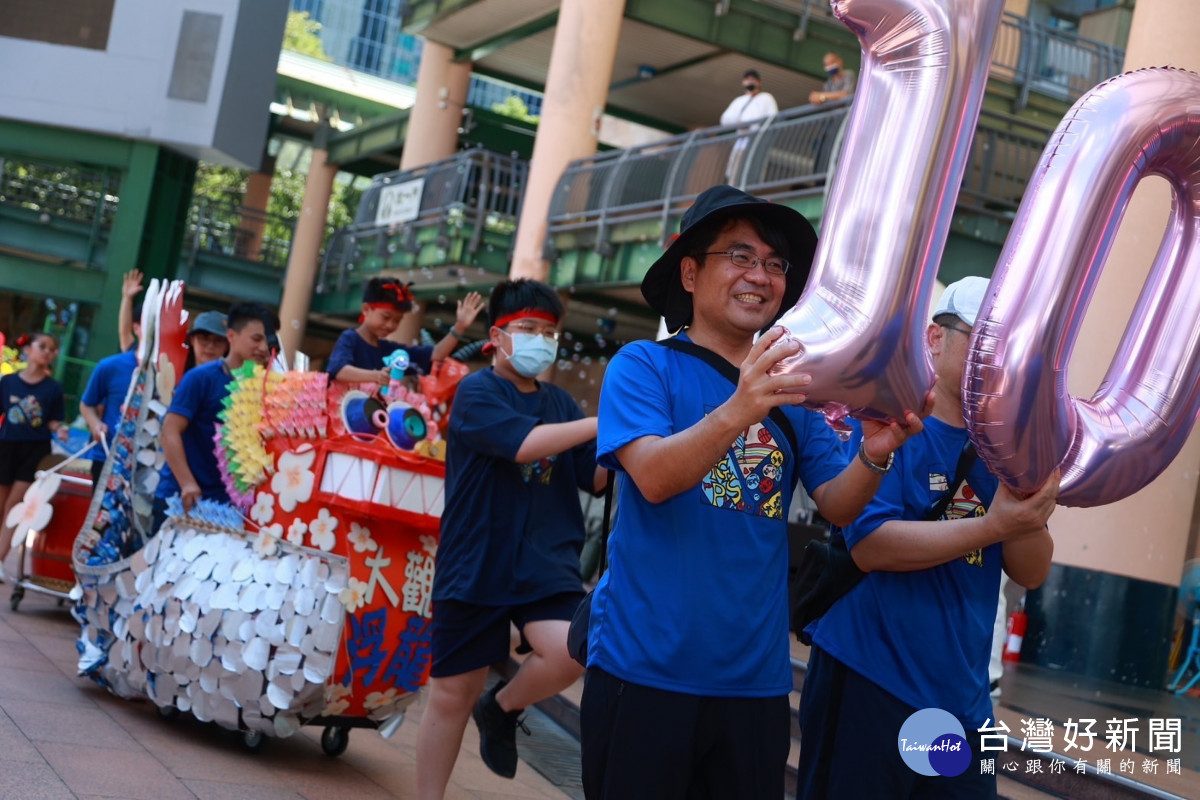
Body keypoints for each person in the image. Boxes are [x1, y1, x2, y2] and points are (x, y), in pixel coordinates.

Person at [581, 185, 926, 799]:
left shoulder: (797, 393)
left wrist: (874, 455)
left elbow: (839, 505)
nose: (760, 276)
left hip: (755, 685)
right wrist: (739, 409)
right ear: (690, 272)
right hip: (644, 670)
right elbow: (655, 479)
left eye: (774, 264)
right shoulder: (643, 366)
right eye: (739, 257)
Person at [795, 276, 1058, 799]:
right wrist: (993, 526)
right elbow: (872, 546)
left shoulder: (1009, 448)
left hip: (962, 698)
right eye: (980, 338)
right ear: (936, 339)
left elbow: (1031, 570)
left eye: (1006, 346)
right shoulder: (890, 424)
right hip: (872, 674)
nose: (995, 357)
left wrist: (1021, 494)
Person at [416, 279, 606, 799]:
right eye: (528, 329)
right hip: (477, 559)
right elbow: (524, 446)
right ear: (498, 336)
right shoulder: (477, 391)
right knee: (453, 693)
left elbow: (595, 478)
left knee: (571, 651)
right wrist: (599, 421)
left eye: (549, 331)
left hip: (547, 561)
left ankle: (500, 708)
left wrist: (639, 436)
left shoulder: (562, 403)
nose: (541, 339)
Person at [152, 302, 276, 528]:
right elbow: (169, 431)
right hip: (183, 501)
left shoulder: (263, 386)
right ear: (232, 336)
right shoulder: (200, 378)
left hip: (227, 510)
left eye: (266, 341)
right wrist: (187, 483)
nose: (262, 347)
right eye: (256, 339)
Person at [327, 278, 484, 386]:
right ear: (366, 309)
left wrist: (460, 327)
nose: (390, 324)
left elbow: (435, 355)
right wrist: (376, 376)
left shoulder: (390, 350)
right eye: (386, 317)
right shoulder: (350, 338)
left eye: (397, 320)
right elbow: (339, 370)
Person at [0, 333, 70, 573]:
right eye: (43, 347)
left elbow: (53, 421)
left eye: (52, 349)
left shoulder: (53, 388)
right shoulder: (8, 382)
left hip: (34, 452)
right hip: (6, 447)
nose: (47, 352)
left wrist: (60, 429)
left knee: (14, 506)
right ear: (28, 350)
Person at [720, 69, 779, 183]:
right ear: (743, 82)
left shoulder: (766, 98)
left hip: (756, 141)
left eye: (753, 80)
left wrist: (754, 126)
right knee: (735, 171)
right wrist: (738, 122)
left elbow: (773, 118)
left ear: (759, 82)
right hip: (740, 143)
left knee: (751, 170)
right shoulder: (739, 101)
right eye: (748, 80)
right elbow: (724, 119)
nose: (750, 82)